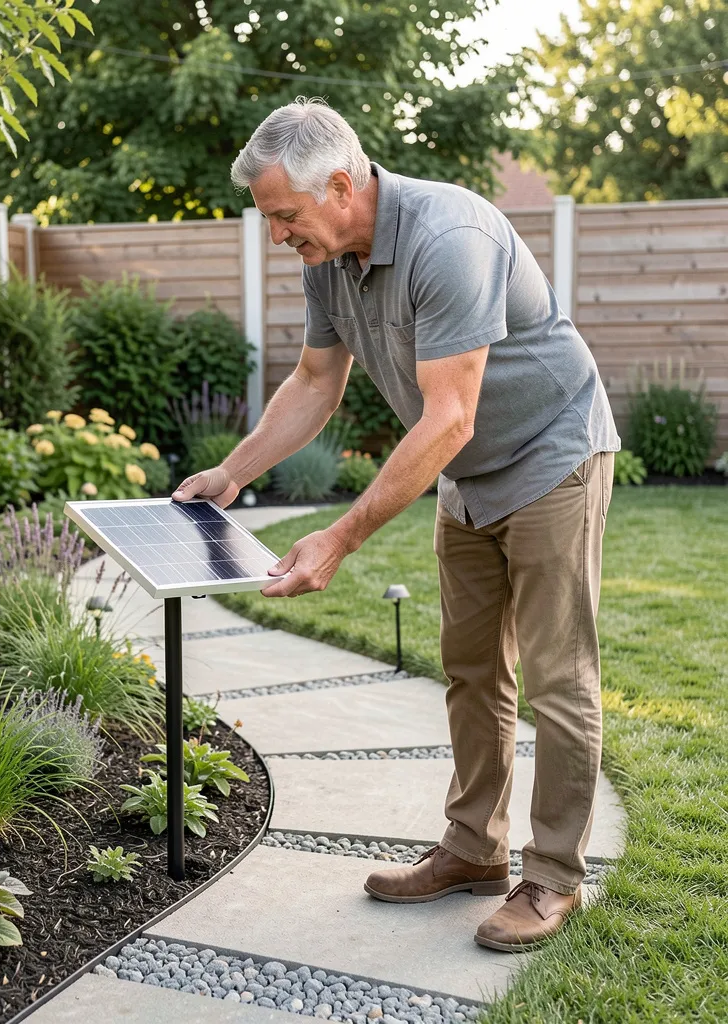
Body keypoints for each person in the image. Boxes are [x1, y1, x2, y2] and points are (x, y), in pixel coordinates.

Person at [172, 98, 619, 952]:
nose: (277, 236)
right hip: (468, 473)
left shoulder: (450, 237)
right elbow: (314, 381)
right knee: (471, 667)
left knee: (558, 678)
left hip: (550, 451)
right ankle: (474, 849)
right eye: (270, 220)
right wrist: (234, 471)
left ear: (341, 185)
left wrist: (339, 537)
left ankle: (554, 876)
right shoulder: (328, 256)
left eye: (285, 217)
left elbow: (449, 416)